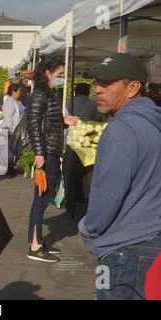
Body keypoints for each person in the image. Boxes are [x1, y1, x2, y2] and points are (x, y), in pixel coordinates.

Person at [78, 53, 161, 300]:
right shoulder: (151, 123)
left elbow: (106, 193)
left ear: (133, 87)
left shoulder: (122, 128)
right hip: (149, 243)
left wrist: (88, 228)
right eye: (96, 82)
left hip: (124, 249)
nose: (97, 90)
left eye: (107, 83)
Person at [26, 57, 79, 263]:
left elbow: (49, 121)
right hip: (46, 153)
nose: (62, 78)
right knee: (42, 198)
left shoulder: (49, 93)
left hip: (51, 150)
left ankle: (36, 240)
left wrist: (64, 122)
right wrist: (40, 152)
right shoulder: (40, 94)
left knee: (43, 197)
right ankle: (34, 246)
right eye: (59, 74)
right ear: (48, 73)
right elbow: (33, 122)